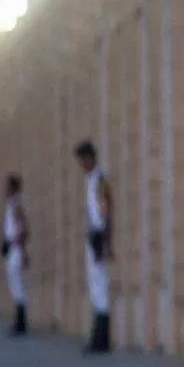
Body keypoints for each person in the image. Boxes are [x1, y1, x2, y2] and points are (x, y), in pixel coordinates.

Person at [74, 139, 113, 354]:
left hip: (99, 235)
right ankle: (97, 336)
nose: (82, 164)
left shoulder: (99, 180)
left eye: (83, 159)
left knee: (100, 287)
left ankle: (102, 338)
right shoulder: (90, 180)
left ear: (91, 158)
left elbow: (106, 210)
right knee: (95, 287)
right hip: (92, 235)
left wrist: (106, 240)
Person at [2, 174, 29, 336]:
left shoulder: (16, 204)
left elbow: (23, 227)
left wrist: (23, 250)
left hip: (16, 247)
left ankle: (21, 321)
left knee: (16, 282)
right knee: (14, 282)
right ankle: (19, 318)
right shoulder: (11, 204)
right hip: (12, 247)